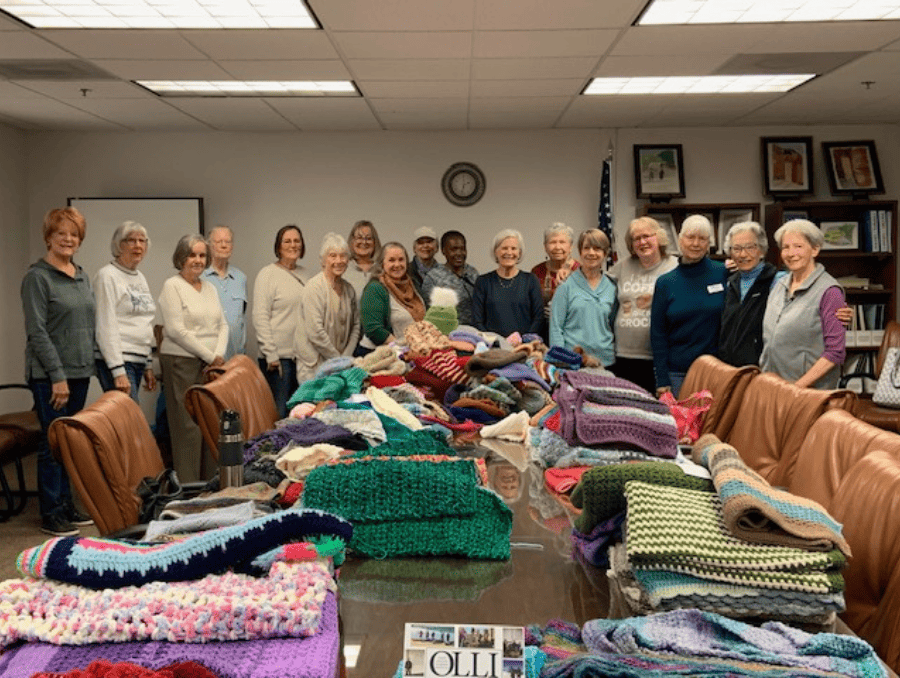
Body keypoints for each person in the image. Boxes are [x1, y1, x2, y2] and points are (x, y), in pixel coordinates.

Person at [22, 207, 95, 536]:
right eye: (61, 233)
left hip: (79, 371)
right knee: (52, 444)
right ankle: (51, 512)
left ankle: (66, 505)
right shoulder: (37, 278)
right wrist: (57, 376)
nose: (68, 239)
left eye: (74, 234)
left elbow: (87, 324)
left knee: (69, 443)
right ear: (48, 237)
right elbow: (37, 332)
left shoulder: (81, 275)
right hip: (51, 376)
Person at [158, 234, 228, 483]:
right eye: (192, 255)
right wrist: (210, 356)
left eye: (202, 255)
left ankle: (209, 483)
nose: (198, 260)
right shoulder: (172, 286)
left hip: (210, 365)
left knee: (210, 423)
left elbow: (223, 325)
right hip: (182, 362)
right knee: (187, 428)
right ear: (181, 257)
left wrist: (218, 355)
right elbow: (176, 330)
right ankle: (189, 488)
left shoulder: (210, 287)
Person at [761, 219, 846, 389]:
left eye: (798, 246)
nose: (791, 253)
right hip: (773, 387)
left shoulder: (830, 292)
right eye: (785, 247)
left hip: (807, 392)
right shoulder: (779, 285)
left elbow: (835, 352)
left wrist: (796, 388)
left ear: (815, 249)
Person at [650, 215, 727, 398]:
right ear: (680, 239)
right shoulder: (665, 283)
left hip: (716, 371)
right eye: (690, 237)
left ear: (709, 243)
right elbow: (658, 334)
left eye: (702, 238)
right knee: (679, 418)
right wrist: (662, 379)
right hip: (677, 374)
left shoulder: (723, 273)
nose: (696, 244)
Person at [607, 217, 678, 393]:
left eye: (646, 236)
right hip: (623, 354)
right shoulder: (622, 266)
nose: (642, 242)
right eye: (636, 239)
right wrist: (569, 268)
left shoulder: (674, 266)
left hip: (659, 356)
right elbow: (595, 280)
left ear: (659, 237)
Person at [93, 221, 157, 402]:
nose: (138, 245)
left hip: (138, 358)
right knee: (129, 414)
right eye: (131, 240)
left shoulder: (140, 277)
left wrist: (148, 364)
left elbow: (144, 321)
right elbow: (105, 325)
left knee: (129, 414)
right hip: (119, 360)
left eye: (142, 241)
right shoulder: (107, 276)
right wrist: (117, 370)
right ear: (118, 245)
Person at [252, 224, 308, 419]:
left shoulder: (306, 275)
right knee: (278, 414)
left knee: (298, 414)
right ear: (278, 246)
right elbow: (260, 316)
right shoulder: (267, 274)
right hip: (277, 361)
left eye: (297, 241)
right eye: (287, 241)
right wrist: (270, 354)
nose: (293, 245)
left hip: (301, 359)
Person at [295, 233, 360, 382]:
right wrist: (338, 360)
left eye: (343, 256)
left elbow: (356, 326)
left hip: (341, 365)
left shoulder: (349, 289)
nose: (339, 261)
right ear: (323, 260)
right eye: (333, 256)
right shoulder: (314, 287)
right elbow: (315, 332)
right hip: (314, 367)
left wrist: (346, 357)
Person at [549, 229, 616, 367]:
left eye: (597, 248)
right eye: (586, 248)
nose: (591, 253)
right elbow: (556, 328)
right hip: (573, 362)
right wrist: (561, 361)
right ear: (580, 252)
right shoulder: (566, 286)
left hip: (607, 361)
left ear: (605, 253)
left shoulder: (612, 287)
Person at [718, 221, 782, 367]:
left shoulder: (777, 281)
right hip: (729, 369)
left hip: (761, 369)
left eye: (750, 247)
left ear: (762, 250)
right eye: (737, 248)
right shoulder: (730, 283)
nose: (743, 254)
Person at [472, 229, 543, 337]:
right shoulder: (483, 282)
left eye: (514, 248)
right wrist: (494, 341)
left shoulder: (531, 280)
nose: (509, 253)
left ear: (519, 253)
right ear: (495, 252)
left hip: (524, 344)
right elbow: (477, 321)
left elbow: (538, 318)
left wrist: (523, 340)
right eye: (504, 248)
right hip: (491, 345)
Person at [359, 242, 425, 350]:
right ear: (382, 263)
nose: (397, 265)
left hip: (411, 351)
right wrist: (401, 349)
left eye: (401, 259)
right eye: (391, 260)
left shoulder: (413, 284)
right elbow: (373, 329)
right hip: (380, 353)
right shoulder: (374, 288)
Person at [201, 225, 247, 359]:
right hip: (209, 356)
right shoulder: (200, 277)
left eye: (228, 242)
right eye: (219, 242)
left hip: (235, 356)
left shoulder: (241, 278)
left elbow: (242, 319)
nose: (224, 245)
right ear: (209, 246)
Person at [531, 223, 579, 339]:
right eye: (552, 242)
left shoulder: (581, 271)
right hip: (544, 333)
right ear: (545, 246)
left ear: (571, 246)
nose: (557, 247)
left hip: (575, 332)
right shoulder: (537, 271)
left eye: (562, 242)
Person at [421, 230, 479, 326]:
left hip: (475, 330)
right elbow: (429, 313)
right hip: (447, 330)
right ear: (443, 251)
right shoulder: (433, 277)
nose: (459, 253)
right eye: (453, 249)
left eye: (462, 249)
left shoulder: (472, 272)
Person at [344, 220, 381, 299]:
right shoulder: (343, 269)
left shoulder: (383, 269)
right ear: (352, 241)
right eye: (359, 238)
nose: (364, 242)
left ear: (375, 242)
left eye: (368, 238)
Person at [408, 226, 439, 294]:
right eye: (420, 242)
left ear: (437, 247)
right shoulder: (405, 272)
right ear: (414, 248)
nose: (425, 246)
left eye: (429, 242)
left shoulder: (446, 273)